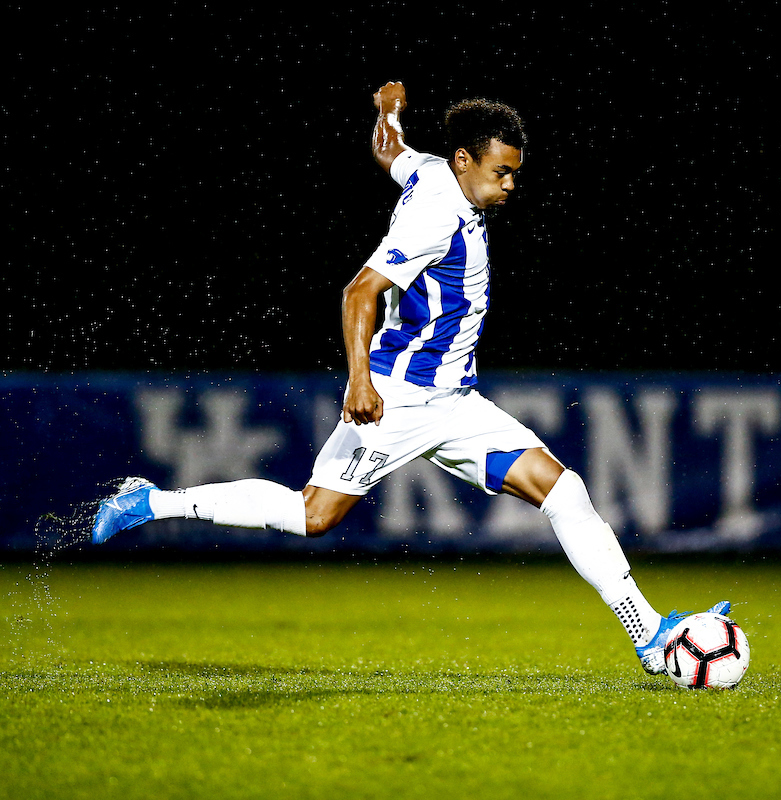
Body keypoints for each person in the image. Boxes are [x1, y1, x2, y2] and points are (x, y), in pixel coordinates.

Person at [91, 80, 729, 676]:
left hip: (453, 401)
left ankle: (647, 633)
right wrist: (360, 382)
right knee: (313, 516)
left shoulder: (431, 170)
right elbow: (358, 292)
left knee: (563, 491)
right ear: (464, 160)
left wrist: (387, 113)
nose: (510, 185)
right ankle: (150, 502)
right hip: (396, 397)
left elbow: (391, 152)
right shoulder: (435, 215)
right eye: (500, 171)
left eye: (515, 173)